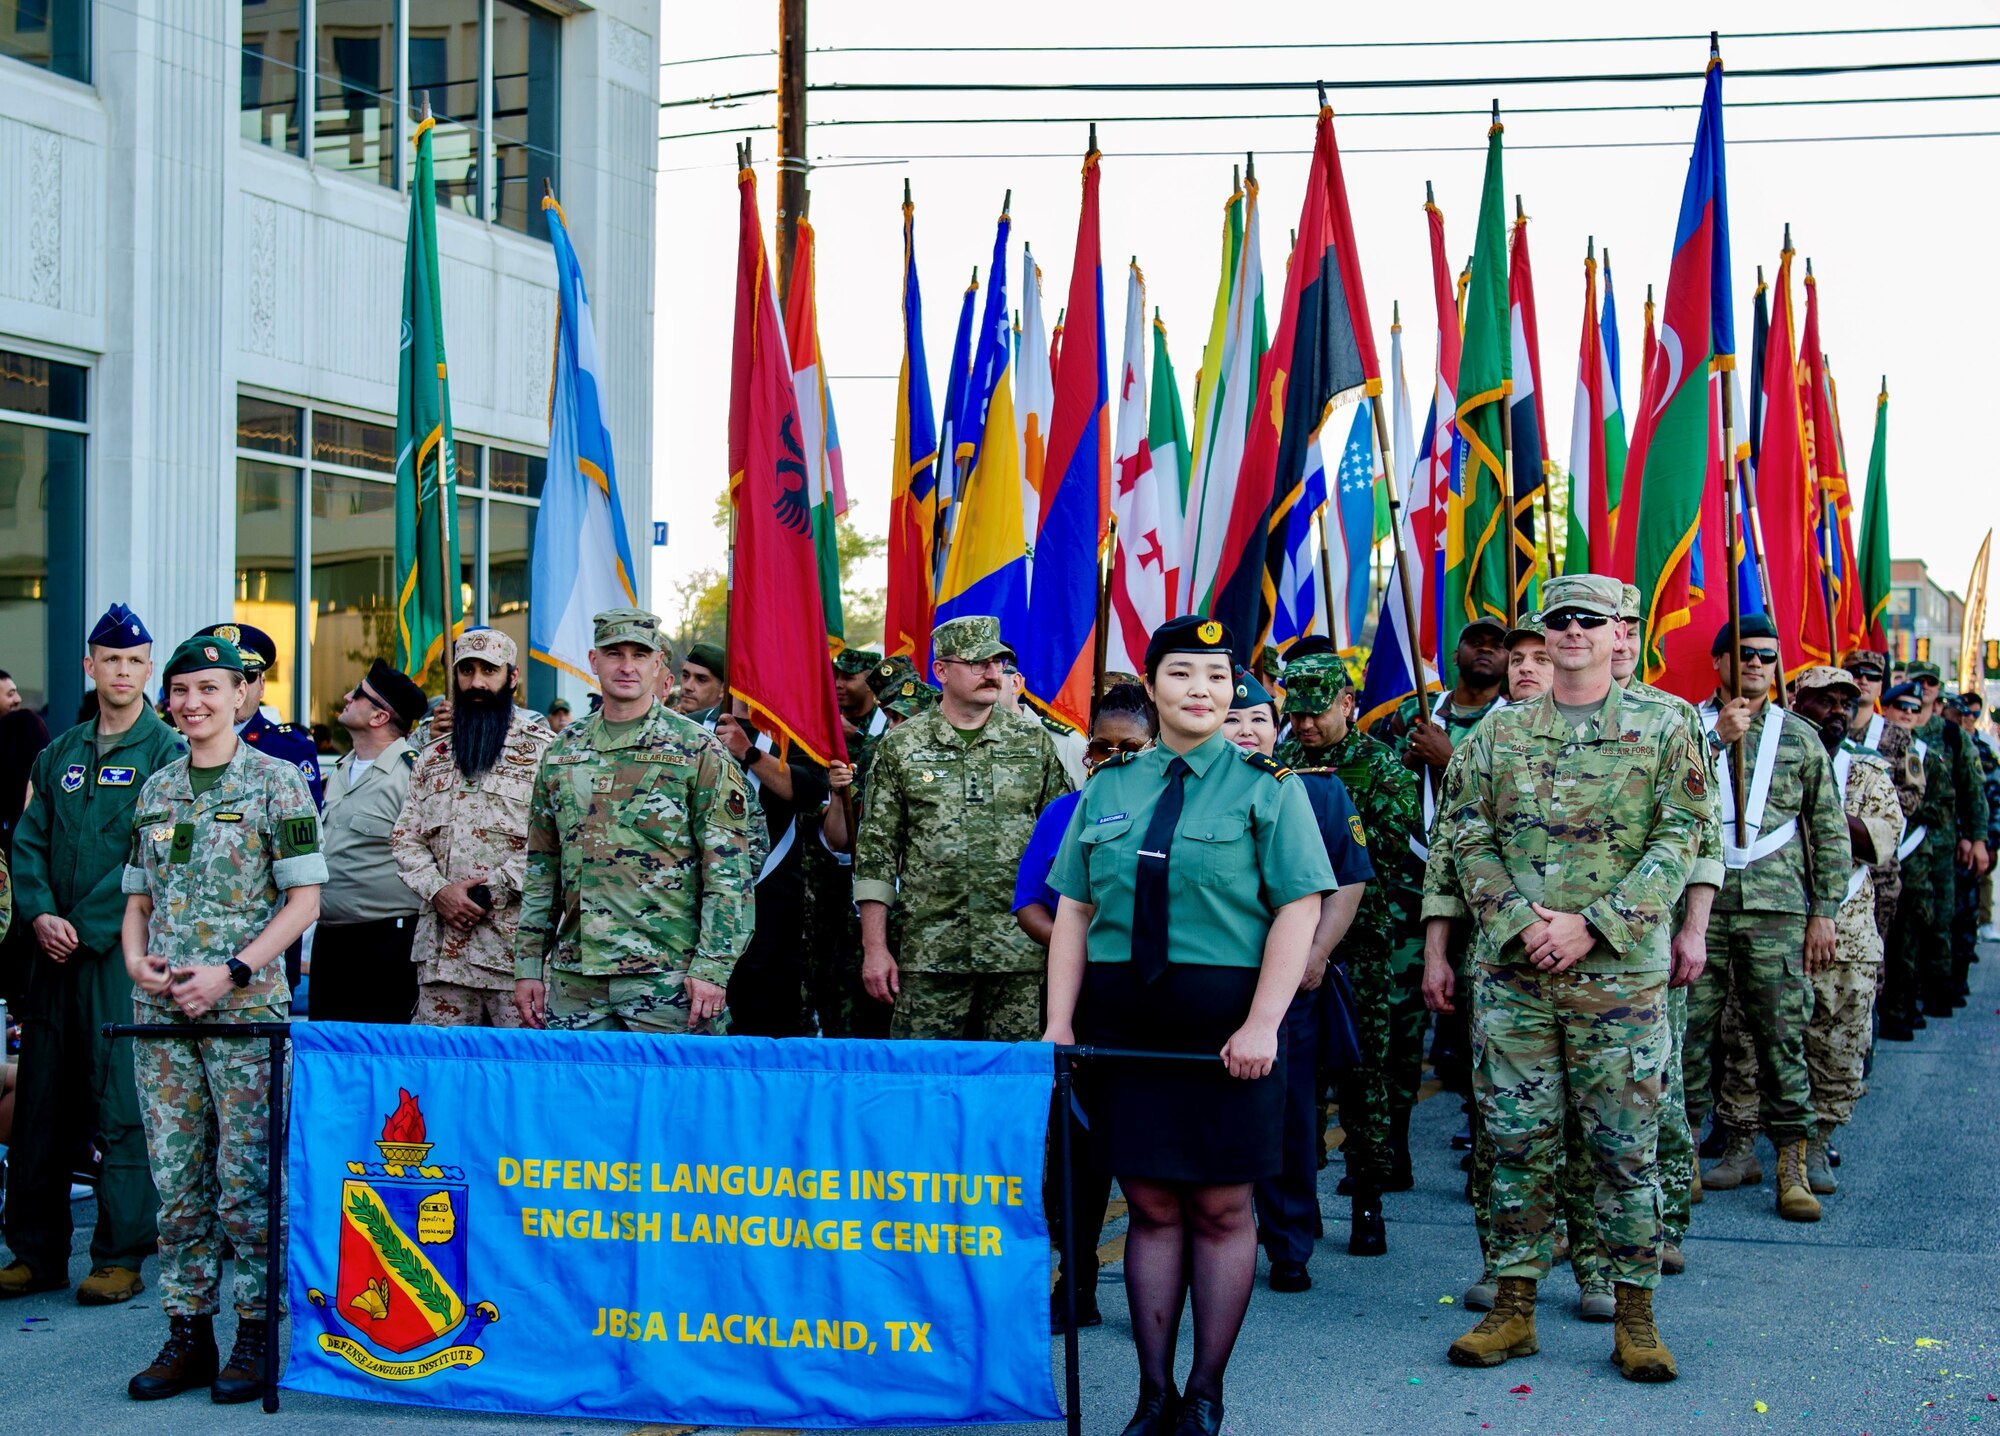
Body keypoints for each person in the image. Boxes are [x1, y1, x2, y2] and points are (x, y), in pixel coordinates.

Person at [1042, 615, 1333, 1436]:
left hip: (1228, 1031)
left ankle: (1205, 1393)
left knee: (1220, 1208)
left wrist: (1264, 1025)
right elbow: (1074, 909)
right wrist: (1059, 1023)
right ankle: (1151, 1393)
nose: (1200, 691)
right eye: (1181, 675)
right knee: (1150, 1206)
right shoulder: (1107, 787)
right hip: (1124, 1026)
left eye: (1215, 676)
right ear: (1152, 685)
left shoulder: (1270, 788)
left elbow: (1297, 909)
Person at [1435, 574, 1711, 1382]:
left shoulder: (1667, 725)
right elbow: (1466, 834)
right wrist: (1521, 921)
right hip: (1518, 975)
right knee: (1516, 1145)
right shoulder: (1501, 731)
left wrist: (1594, 924)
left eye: (1588, 620)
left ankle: (1635, 1316)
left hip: (1619, 978)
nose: (1571, 633)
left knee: (1623, 1150)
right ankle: (1514, 1310)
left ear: (1622, 628)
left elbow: (1681, 837)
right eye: (1558, 621)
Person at [119, 633, 325, 1402]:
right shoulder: (158, 788)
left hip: (244, 1014)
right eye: (181, 690)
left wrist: (234, 970)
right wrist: (135, 960)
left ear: (242, 694)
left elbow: (304, 900)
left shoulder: (278, 785)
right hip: (161, 1014)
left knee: (246, 1182)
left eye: (210, 688)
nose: (193, 703)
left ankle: (255, 1335)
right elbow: (138, 900)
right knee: (177, 1183)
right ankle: (188, 1334)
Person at [1, 605, 181, 1306]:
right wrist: (41, 913)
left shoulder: (165, 752)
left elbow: (156, 850)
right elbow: (28, 840)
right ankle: (34, 1252)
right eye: (111, 659)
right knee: (42, 1102)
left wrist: (86, 925)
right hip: (52, 957)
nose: (123, 672)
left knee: (121, 1103)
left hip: (114, 955)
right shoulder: (59, 753)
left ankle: (121, 1252)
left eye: (135, 661)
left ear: (148, 668)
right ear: (90, 667)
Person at [513, 610, 758, 1034]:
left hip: (669, 980)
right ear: (594, 660)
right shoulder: (562, 751)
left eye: (640, 655)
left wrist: (713, 967)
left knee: (674, 1101)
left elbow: (730, 873)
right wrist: (528, 965)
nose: (626, 666)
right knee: (578, 1099)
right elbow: (542, 867)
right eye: (614, 653)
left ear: (658, 663)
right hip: (577, 983)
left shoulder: (697, 749)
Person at [1690, 612, 1849, 1224]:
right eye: (1743, 653)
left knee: (1782, 1040)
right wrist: (1716, 741)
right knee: (1688, 1040)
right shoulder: (1687, 728)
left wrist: (1824, 913)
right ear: (1719, 662)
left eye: (1766, 655)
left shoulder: (1800, 736)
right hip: (1699, 910)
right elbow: (1657, 791)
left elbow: (1829, 833)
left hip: (1777, 910)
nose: (1755, 663)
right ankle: (1684, 1157)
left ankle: (1791, 1164)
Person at [1013, 681, 1156, 1331]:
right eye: (1102, 747)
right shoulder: (1064, 814)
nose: (1114, 759)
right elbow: (1031, 906)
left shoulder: (1179, 812)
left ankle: (1165, 1289)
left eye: (1132, 747)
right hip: (1082, 1000)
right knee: (1077, 1152)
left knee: (1158, 1152)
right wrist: (1082, 949)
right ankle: (1078, 1281)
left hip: (1160, 1005)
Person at [854, 615, 1070, 1041]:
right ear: (941, 671)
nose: (993, 673)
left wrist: (1061, 942)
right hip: (932, 952)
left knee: (1013, 1084)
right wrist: (875, 948)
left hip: (1021, 952)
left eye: (998, 662)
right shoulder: (901, 746)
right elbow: (875, 854)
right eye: (977, 663)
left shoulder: (1032, 741)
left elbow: (1062, 849)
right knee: (923, 1084)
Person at [1229, 668, 1371, 1286]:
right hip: (1211, 981)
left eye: (1259, 720)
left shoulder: (1316, 791)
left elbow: (1347, 878)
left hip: (1290, 984)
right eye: (1233, 720)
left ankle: (1289, 1246)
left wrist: (1315, 954)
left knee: (1289, 1117)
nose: (1246, 731)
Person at [1274, 652, 1423, 1219]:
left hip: (1361, 945)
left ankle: (1367, 1197)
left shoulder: (1380, 766)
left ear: (1347, 704)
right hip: (1288, 940)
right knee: (1297, 1079)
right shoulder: (1281, 758)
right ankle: (1299, 1196)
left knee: (1363, 1074)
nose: (1306, 726)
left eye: (1317, 715)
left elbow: (1385, 851)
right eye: (1298, 715)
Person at [390, 631, 554, 1028]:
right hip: (441, 960)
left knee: (519, 1079)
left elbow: (557, 840)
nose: (477, 682)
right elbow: (404, 837)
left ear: (512, 678)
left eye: (489, 670)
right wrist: (439, 891)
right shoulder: (433, 757)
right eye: (466, 670)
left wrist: (485, 891)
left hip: (515, 960)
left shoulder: (547, 752)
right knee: (438, 1081)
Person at [1787, 668, 1900, 1191]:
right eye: (1823, 701)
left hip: (1848, 930)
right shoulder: (1772, 761)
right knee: (1759, 1041)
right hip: (1778, 923)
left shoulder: (1868, 771)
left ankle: (1817, 1143)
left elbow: (1878, 840)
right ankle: (1750, 1141)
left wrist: (1819, 801)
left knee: (1839, 1045)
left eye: (1845, 703)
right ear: (1797, 701)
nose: (1837, 711)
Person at [312, 659, 429, 1023]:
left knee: (379, 1061)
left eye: (359, 694)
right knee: (331, 1057)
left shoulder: (412, 775)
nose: (347, 696)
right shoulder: (343, 768)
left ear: (379, 717)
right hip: (332, 939)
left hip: (385, 944)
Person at [714, 699, 826, 1037]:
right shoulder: (698, 728)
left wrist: (750, 753)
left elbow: (810, 791)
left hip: (773, 900)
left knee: (769, 1021)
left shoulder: (789, 732)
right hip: (707, 900)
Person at [193, 623, 322, 808]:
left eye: (247, 676)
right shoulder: (182, 741)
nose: (237, 689)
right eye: (220, 680)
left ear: (262, 685)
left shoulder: (290, 749)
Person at [677, 641, 728, 719]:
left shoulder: (727, 728)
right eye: (685, 676)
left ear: (723, 689)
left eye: (701, 680)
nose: (688, 686)